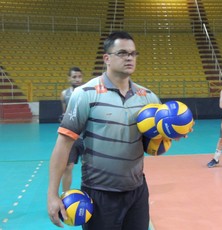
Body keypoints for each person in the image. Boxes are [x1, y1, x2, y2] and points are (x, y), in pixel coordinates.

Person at [48, 31, 162, 230]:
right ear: (107, 58)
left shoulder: (149, 98)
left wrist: (168, 135)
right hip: (99, 194)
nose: (129, 58)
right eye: (123, 53)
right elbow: (63, 145)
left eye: (134, 54)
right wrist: (52, 195)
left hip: (137, 192)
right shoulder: (85, 94)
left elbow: (153, 147)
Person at [60, 67, 84, 192]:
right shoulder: (65, 94)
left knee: (88, 168)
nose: (77, 79)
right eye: (74, 77)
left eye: (79, 77)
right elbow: (64, 114)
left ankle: (90, 194)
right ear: (69, 78)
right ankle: (65, 195)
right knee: (67, 167)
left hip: (86, 137)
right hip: (71, 137)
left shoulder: (86, 92)